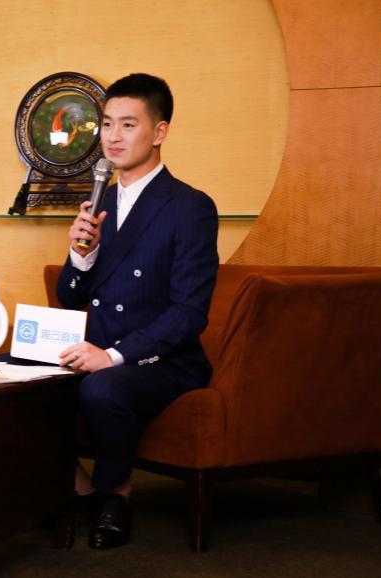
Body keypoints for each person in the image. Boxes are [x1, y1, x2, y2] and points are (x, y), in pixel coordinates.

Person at [56, 73, 219, 549]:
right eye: (107, 124)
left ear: (159, 131)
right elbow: (69, 297)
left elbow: (189, 312)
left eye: (128, 125)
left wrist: (113, 355)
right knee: (8, 377)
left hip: (163, 360)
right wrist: (81, 256)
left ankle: (117, 496)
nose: (113, 137)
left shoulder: (189, 206)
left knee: (104, 388)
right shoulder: (99, 200)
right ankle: (81, 491)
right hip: (97, 348)